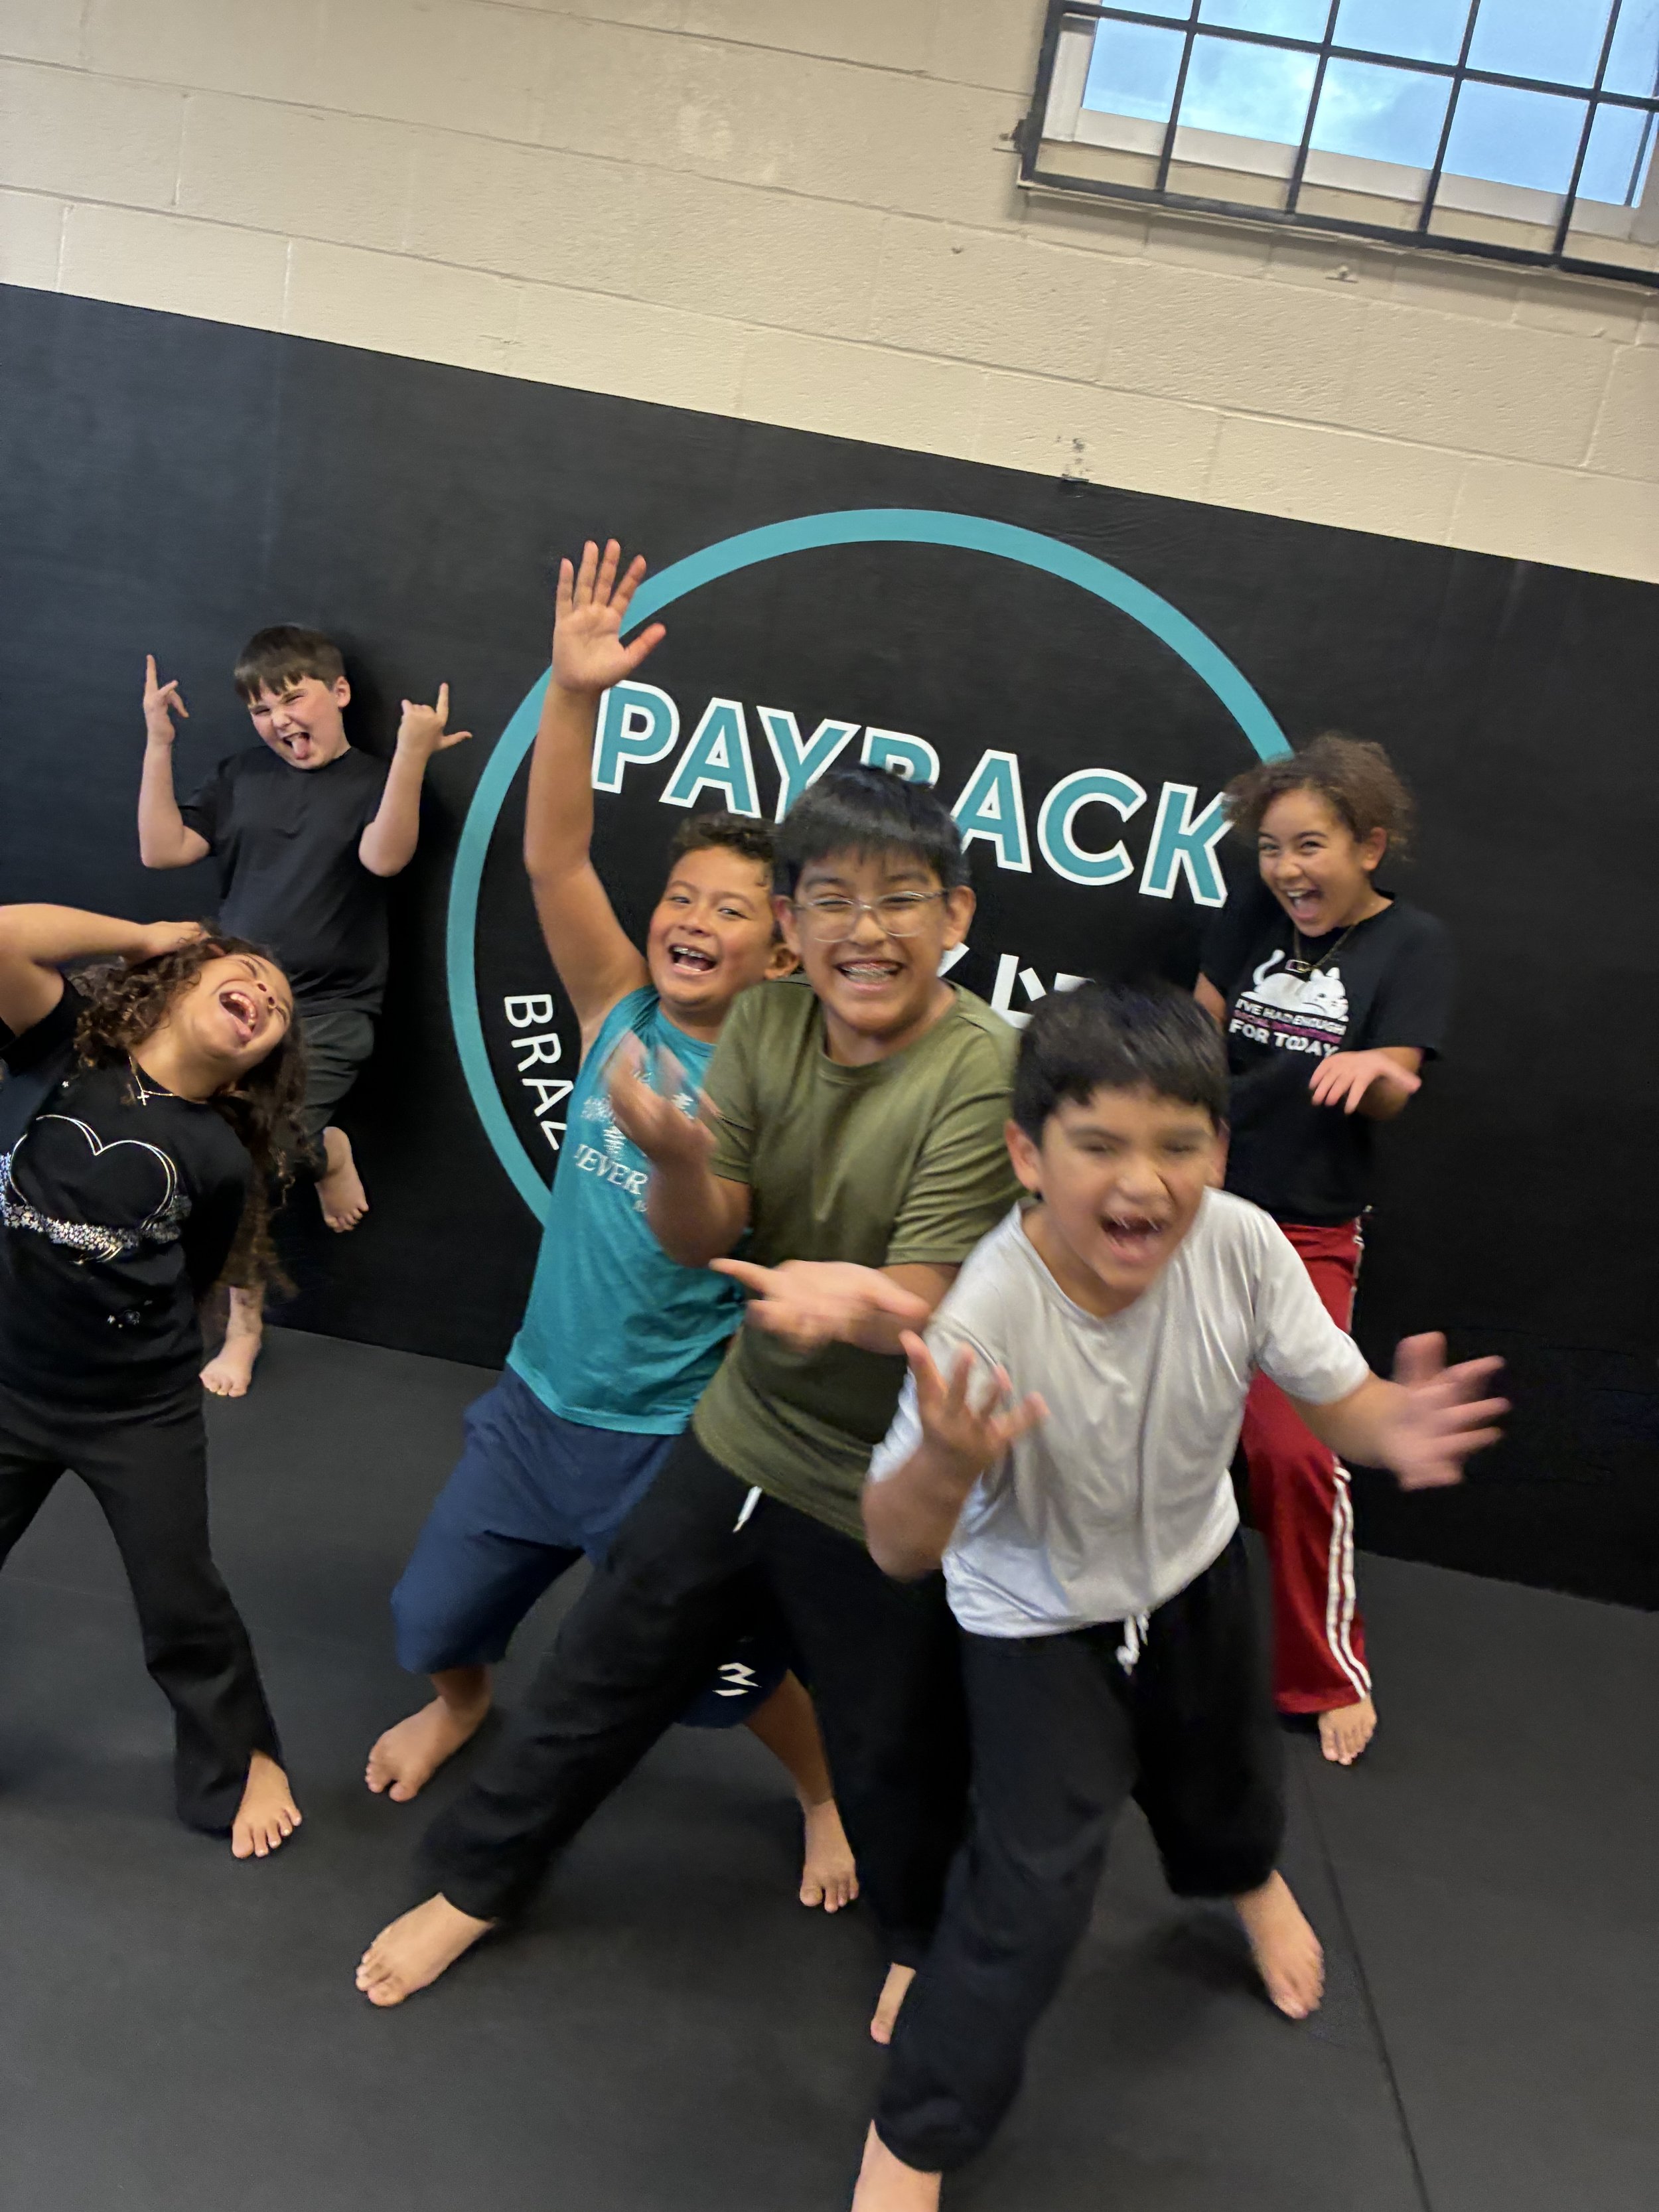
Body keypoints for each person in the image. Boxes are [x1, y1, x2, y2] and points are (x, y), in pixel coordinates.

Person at [354, 759, 1021, 2020]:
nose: (863, 931)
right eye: (830, 898)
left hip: (880, 1471)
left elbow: (931, 1293)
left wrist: (859, 1300)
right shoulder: (766, 1026)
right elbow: (697, 1229)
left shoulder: (988, 1063)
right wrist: (671, 1155)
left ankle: (921, 1936)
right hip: (734, 1429)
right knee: (599, 1673)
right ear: (795, 922)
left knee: (887, 1733)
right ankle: (479, 1883)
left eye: (899, 900)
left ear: (959, 915)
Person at [851, 985, 1504, 2210]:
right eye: (1099, 1143)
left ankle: (1245, 1882)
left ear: (1218, 1145)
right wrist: (942, 1460)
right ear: (1027, 1155)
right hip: (1038, 1617)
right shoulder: (989, 1310)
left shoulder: (1245, 1243)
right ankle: (915, 2136)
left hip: (1196, 1567)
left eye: (1178, 1143)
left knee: (1228, 1774)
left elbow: (1336, 1394)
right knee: (1033, 1891)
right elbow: (895, 1545)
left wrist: (1385, 1422)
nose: (1141, 1182)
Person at [366, 540, 855, 1911]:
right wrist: (573, 691)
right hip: (537, 1407)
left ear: (780, 955)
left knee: (727, 1681)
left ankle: (821, 1792)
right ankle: (464, 1702)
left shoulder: (783, 1082)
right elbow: (553, 848)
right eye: (683, 896)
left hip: (675, 1447)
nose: (692, 918)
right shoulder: (613, 1008)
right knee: (431, 1622)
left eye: (730, 910)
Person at [0, 903, 308, 1857]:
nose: (262, 993)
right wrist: (134, 935)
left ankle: (239, 1762)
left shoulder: (217, 1157)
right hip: (9, 1386)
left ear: (260, 1063)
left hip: (136, 1412)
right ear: (176, 978)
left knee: (182, 1602)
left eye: (281, 1005)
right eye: (247, 972)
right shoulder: (60, 1054)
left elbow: (202, 1271)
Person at [1195, 733, 1453, 1766]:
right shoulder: (1253, 913)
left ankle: (1327, 1668)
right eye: (1271, 848)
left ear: (1370, 844)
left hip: (1304, 1235)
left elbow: (1400, 1075)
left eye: (1311, 846)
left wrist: (1369, 1075)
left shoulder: (1415, 944)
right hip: (1193, 1208)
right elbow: (1200, 1027)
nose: (1289, 869)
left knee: (1296, 1452)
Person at [137, 627, 472, 1396]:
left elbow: (385, 859)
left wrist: (414, 754)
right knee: (209, 1146)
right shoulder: (240, 776)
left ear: (339, 693)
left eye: (293, 697)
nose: (280, 719)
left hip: (330, 1008)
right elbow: (162, 850)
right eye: (262, 708)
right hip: (232, 1001)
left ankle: (245, 1327)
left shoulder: (373, 781)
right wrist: (158, 743)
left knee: (248, 1157)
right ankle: (326, 1153)